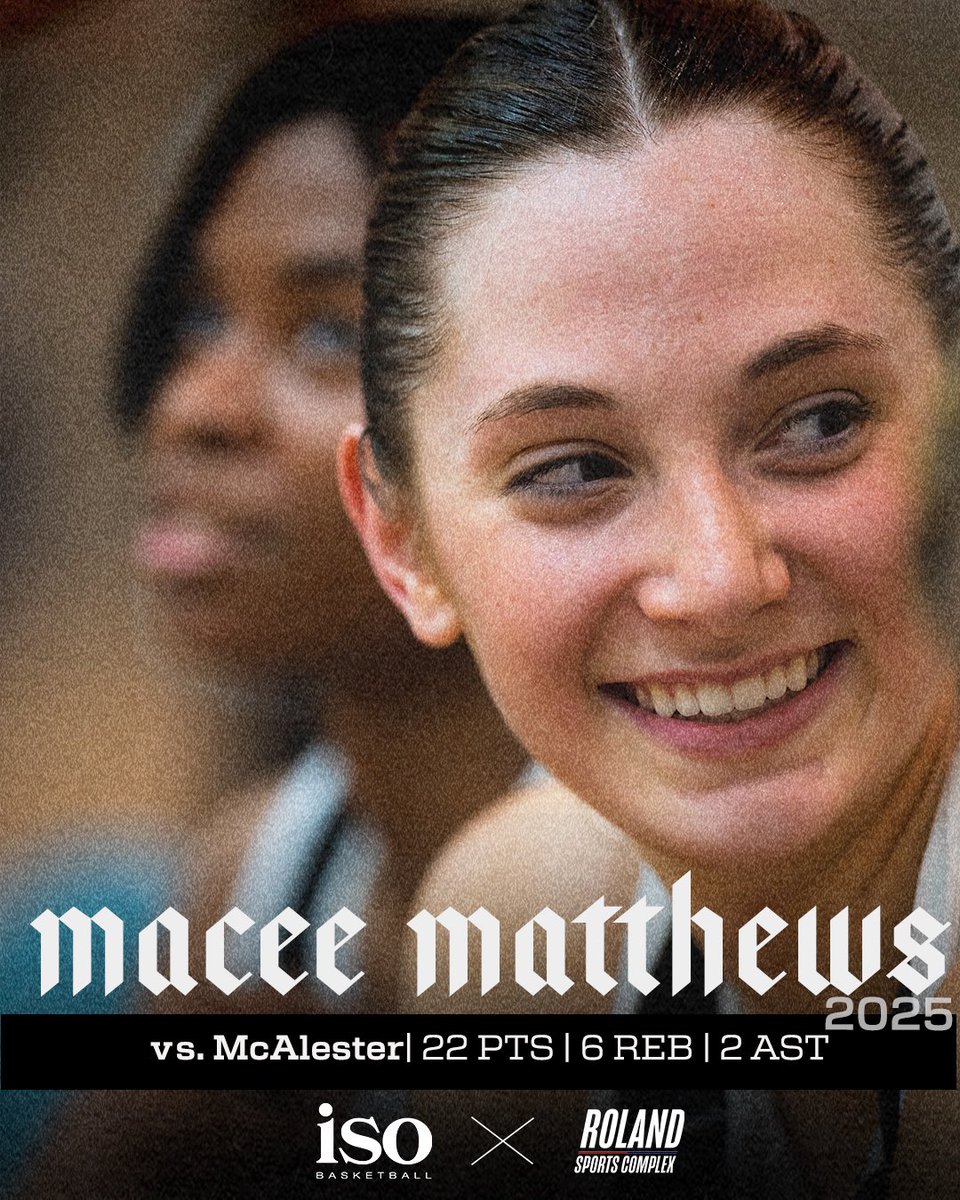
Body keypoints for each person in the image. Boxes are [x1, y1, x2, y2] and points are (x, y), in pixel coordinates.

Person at [339, 0, 960, 1194]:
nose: (719, 578)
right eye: (574, 470)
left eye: (820, 422)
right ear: (401, 539)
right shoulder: (529, 938)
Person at [116, 18, 525, 1009]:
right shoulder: (259, 883)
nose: (191, 406)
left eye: (329, 334)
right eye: (199, 319)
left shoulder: (705, 912)